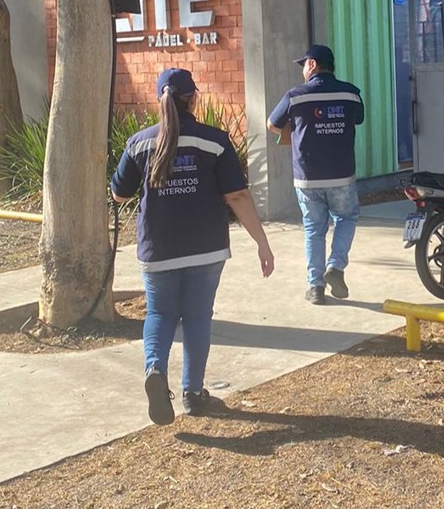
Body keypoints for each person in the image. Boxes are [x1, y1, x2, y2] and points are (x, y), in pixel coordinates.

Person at [111, 68, 275, 426]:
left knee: (159, 314)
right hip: (207, 247)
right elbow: (236, 195)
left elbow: (119, 192)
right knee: (198, 317)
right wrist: (262, 242)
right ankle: (193, 393)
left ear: (160, 101)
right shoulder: (214, 140)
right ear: (194, 99)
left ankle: (155, 369)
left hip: (158, 248)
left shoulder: (139, 143)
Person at [267, 44, 364, 305]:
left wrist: (294, 131)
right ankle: (336, 266)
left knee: (314, 229)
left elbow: (272, 124)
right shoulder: (351, 94)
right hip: (342, 175)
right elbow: (358, 119)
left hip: (307, 177)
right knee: (346, 217)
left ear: (312, 65)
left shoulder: (295, 96)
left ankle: (316, 287)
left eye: (304, 65)